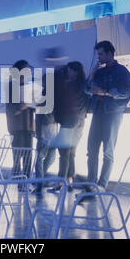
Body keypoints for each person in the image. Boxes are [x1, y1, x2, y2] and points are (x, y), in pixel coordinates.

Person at [81, 41, 130, 194]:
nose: (99, 57)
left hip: (112, 113)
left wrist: (103, 92)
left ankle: (101, 185)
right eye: (98, 54)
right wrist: (93, 72)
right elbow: (86, 89)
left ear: (110, 53)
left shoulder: (122, 72)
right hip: (98, 111)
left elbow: (125, 92)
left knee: (108, 151)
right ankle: (91, 183)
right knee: (91, 149)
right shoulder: (100, 72)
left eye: (101, 54)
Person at [48, 61, 89, 193]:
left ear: (75, 72)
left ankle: (60, 182)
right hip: (80, 122)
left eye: (70, 70)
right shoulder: (83, 85)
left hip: (69, 122)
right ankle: (69, 182)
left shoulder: (70, 85)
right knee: (71, 154)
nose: (68, 72)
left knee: (64, 154)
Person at [32, 48, 66, 196]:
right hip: (50, 122)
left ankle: (39, 181)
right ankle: (40, 181)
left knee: (43, 154)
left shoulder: (50, 77)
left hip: (48, 122)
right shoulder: (56, 77)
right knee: (47, 153)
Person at [6, 60, 35, 187]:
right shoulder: (11, 86)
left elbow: (34, 107)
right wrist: (22, 106)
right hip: (16, 127)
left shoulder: (29, 86)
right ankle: (19, 183)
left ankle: (26, 182)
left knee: (28, 157)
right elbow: (11, 109)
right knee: (17, 157)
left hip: (28, 127)